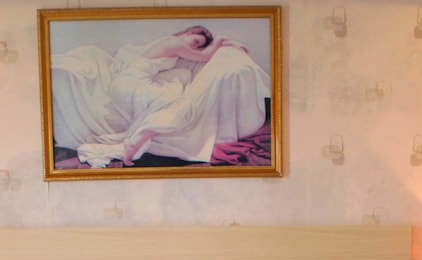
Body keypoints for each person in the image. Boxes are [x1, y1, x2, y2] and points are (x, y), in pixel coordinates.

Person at [51, 25, 270, 168]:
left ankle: (135, 140)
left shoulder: (168, 45)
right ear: (187, 33)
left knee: (176, 99)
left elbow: (200, 56)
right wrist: (222, 40)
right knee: (183, 106)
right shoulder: (172, 42)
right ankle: (135, 141)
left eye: (199, 45)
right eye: (195, 41)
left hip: (127, 85)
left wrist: (226, 45)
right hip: (130, 85)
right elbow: (203, 57)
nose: (195, 47)